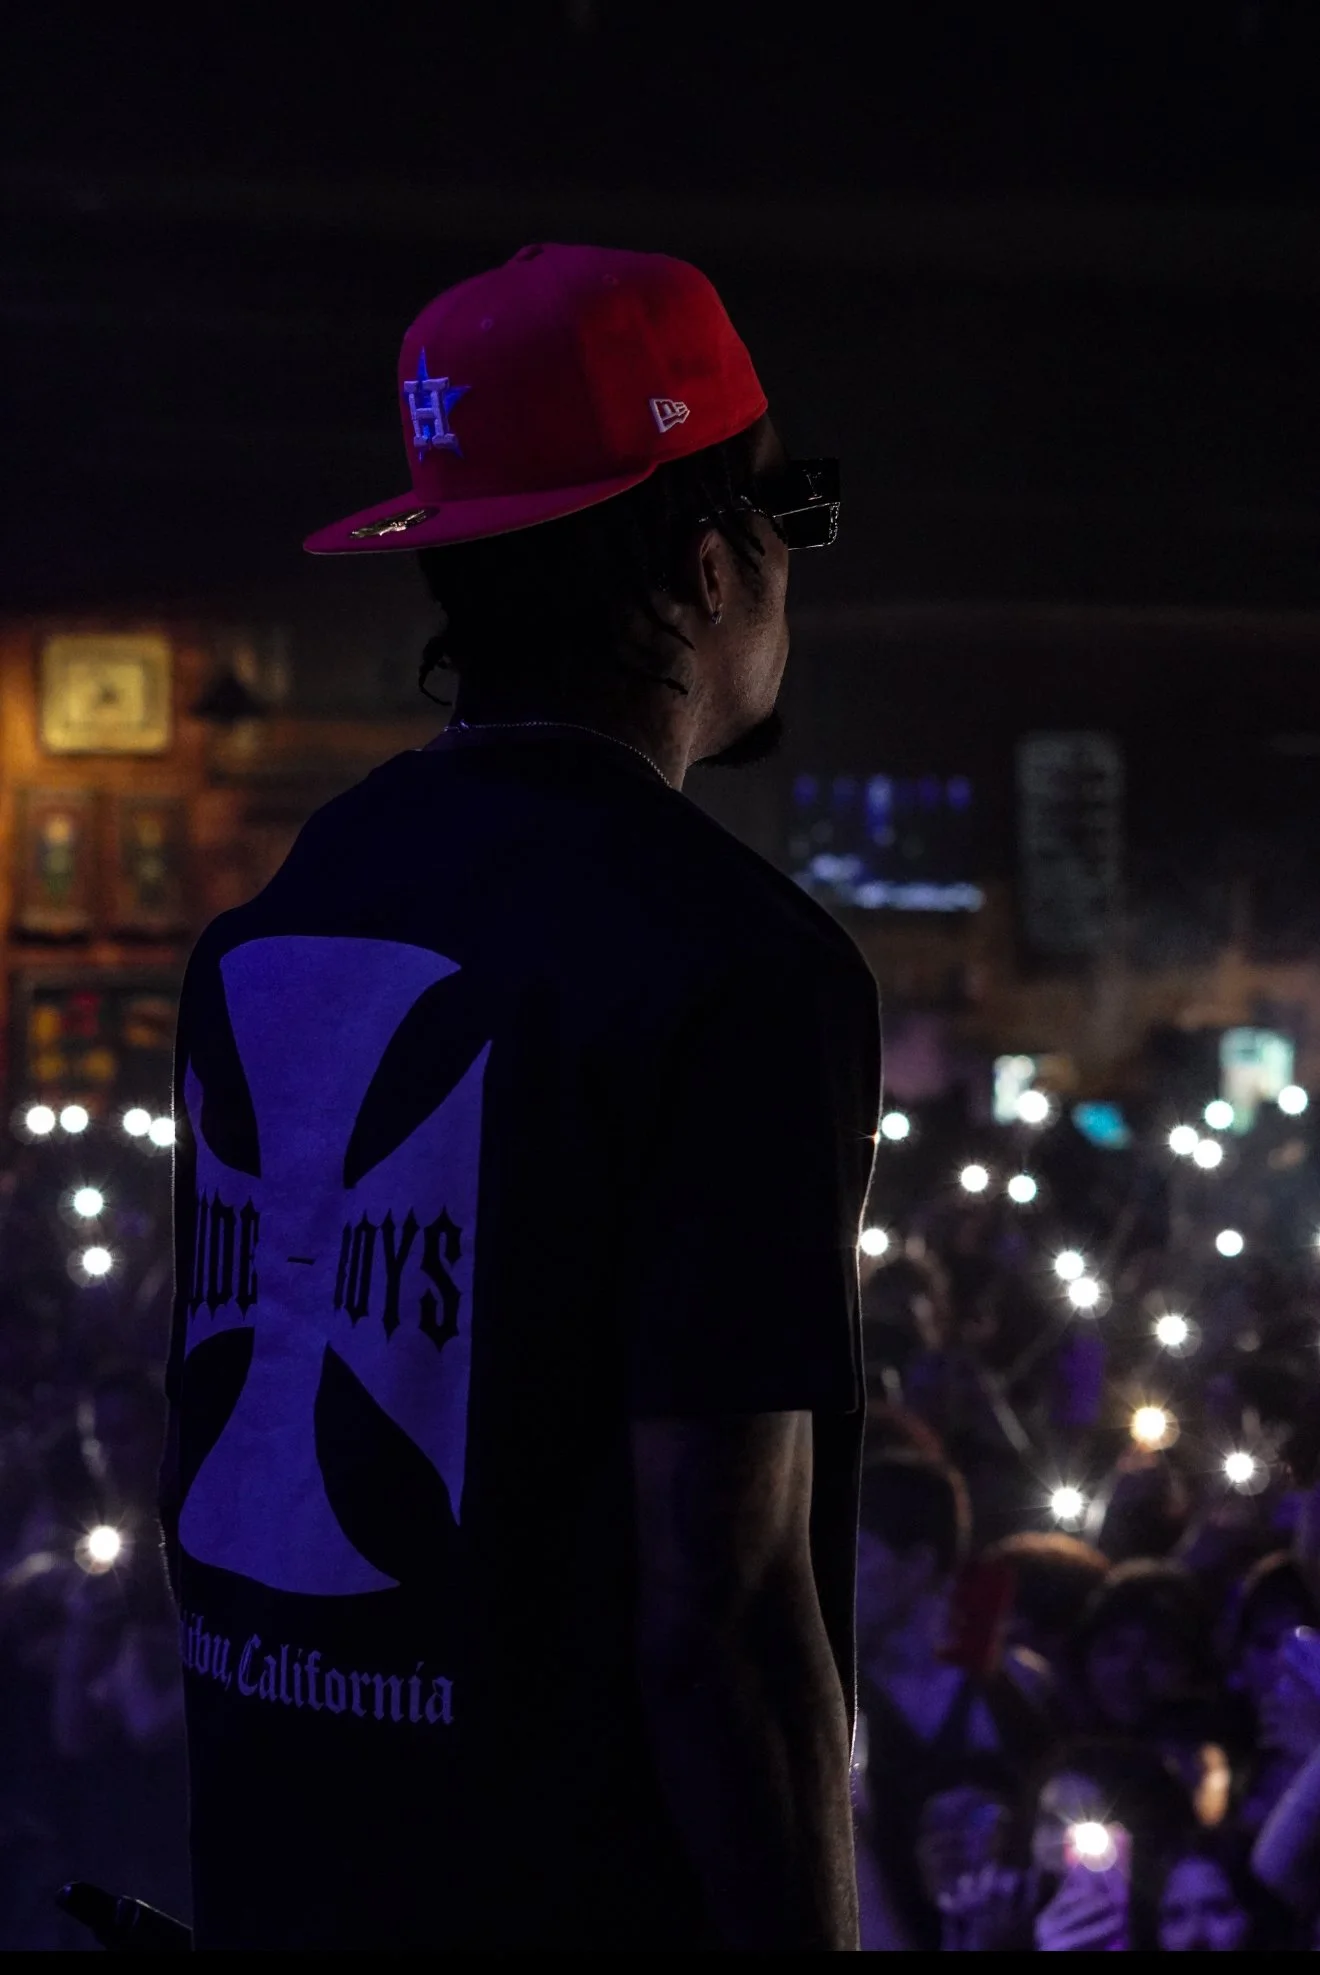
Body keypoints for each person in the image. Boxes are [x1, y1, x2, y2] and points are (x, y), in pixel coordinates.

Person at [160, 244, 879, 1951]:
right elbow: (724, 1607)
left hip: (280, 1882)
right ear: (709, 569)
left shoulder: (289, 913)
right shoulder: (743, 970)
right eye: (798, 518)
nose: (797, 569)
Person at [852, 1454, 1048, 1946]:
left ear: (918, 1564)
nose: (838, 1579)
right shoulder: (844, 1704)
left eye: (857, 1554)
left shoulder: (1016, 1690)